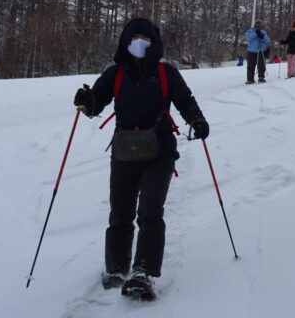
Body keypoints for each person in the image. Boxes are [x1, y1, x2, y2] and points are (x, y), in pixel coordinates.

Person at [73, 17, 209, 300]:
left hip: (159, 151)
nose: (140, 43)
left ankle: (143, 273)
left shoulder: (166, 73)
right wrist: (87, 101)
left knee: (149, 211)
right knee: (120, 211)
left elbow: (185, 100)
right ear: (125, 41)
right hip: (124, 151)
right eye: (135, 38)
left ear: (154, 43)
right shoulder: (115, 74)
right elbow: (96, 102)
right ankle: (116, 268)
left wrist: (196, 119)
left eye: (146, 39)